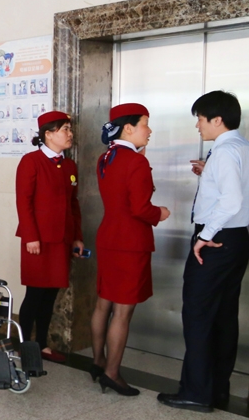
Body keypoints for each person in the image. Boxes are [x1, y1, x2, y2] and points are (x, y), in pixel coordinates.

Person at [158, 91, 249, 413]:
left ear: (217, 120)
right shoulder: (241, 148)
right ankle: (217, 389)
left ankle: (196, 392)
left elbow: (232, 200)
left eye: (200, 119)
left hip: (215, 241)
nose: (198, 125)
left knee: (197, 314)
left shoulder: (224, 153)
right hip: (237, 238)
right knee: (223, 315)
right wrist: (208, 172)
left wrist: (204, 236)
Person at [91, 103, 170, 396]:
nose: (149, 130)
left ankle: (98, 362)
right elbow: (139, 208)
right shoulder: (136, 162)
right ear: (128, 128)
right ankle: (112, 374)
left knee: (104, 303)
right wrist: (160, 213)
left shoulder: (106, 158)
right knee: (122, 312)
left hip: (108, 238)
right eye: (145, 123)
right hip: (130, 244)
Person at [15, 111, 84, 363]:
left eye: (69, 129)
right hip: (38, 242)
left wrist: (77, 237)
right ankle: (23, 346)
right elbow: (24, 202)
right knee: (34, 295)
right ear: (48, 134)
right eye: (65, 129)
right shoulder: (31, 161)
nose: (70, 134)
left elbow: (73, 204)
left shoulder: (69, 166)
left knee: (50, 296)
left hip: (61, 241)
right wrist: (31, 236)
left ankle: (42, 344)